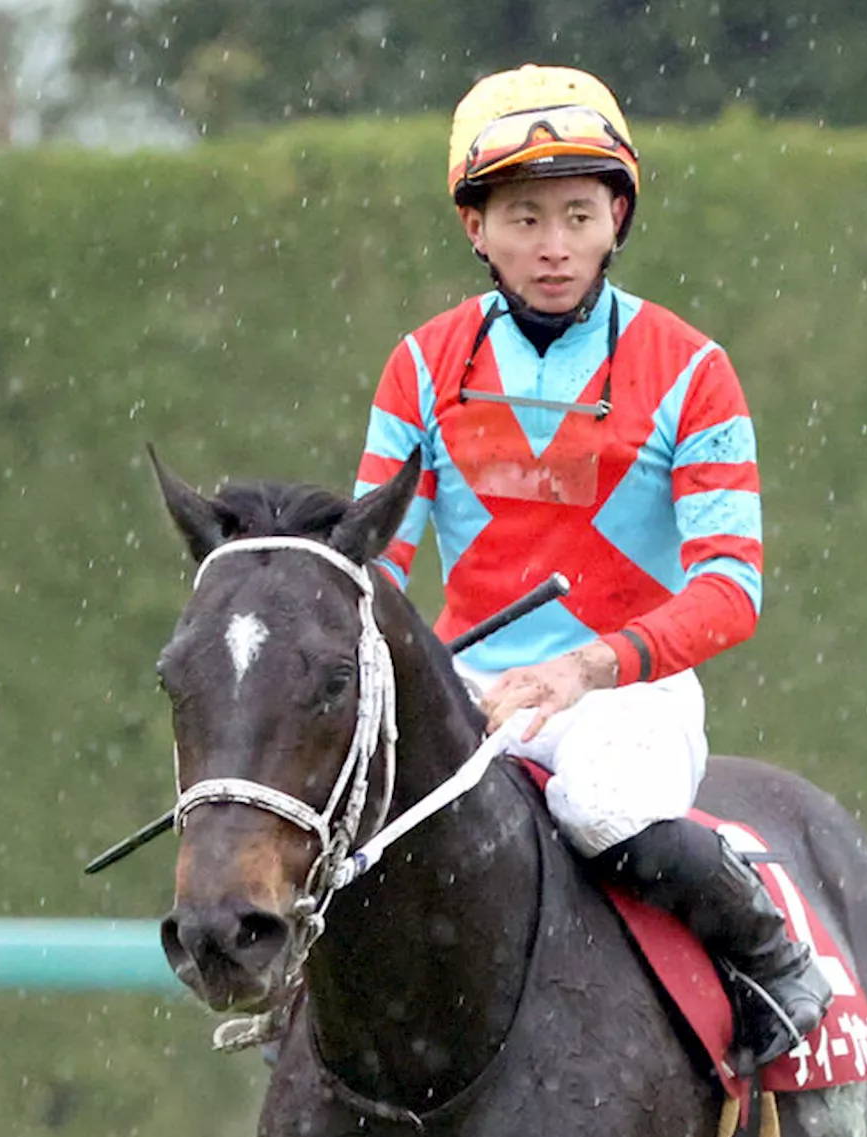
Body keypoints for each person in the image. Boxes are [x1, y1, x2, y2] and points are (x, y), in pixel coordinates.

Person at [355, 64, 832, 1067]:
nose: (554, 246)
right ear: (474, 229)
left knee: (601, 807)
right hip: (470, 689)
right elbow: (378, 570)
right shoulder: (419, 365)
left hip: (627, 693)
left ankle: (773, 957)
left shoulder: (692, 370)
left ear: (617, 217)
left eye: (577, 214)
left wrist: (588, 667)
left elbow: (728, 589)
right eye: (523, 217)